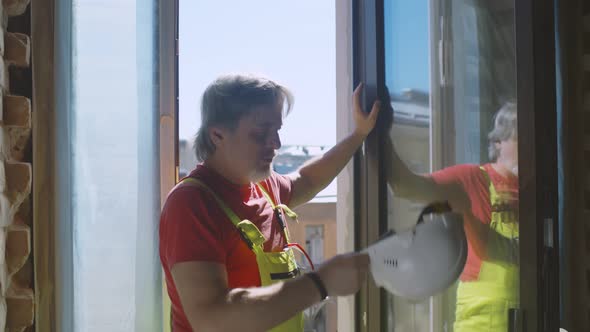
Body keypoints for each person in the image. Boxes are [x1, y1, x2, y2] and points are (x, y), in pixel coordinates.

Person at [159, 74, 381, 332]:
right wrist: (321, 283)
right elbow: (212, 317)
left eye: (277, 131)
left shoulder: (265, 187)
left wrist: (359, 135)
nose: (275, 143)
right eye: (261, 133)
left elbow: (307, 180)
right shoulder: (191, 204)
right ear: (217, 135)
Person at [384, 102, 519, 331]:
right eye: (519, 136)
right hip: (481, 324)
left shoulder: (540, 197)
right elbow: (404, 186)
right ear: (498, 142)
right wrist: (379, 131)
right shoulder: (471, 180)